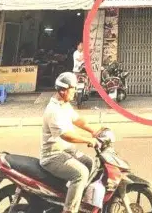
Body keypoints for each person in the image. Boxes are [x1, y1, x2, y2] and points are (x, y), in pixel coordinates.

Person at [39, 72, 101, 213]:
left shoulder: (64, 104)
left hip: (65, 151)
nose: (75, 92)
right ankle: (69, 210)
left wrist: (94, 131)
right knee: (81, 174)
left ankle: (79, 200)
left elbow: (77, 119)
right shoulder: (53, 110)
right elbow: (66, 136)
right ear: (63, 91)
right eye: (73, 89)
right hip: (52, 156)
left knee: (90, 163)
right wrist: (87, 140)